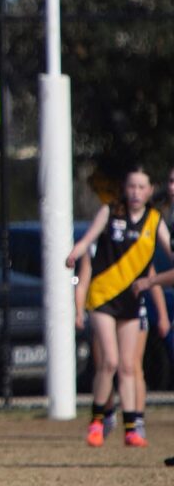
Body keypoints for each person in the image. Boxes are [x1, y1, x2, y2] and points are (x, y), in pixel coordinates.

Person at [67, 165, 171, 448]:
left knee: (128, 365)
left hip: (131, 300)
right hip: (103, 297)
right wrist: (75, 253)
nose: (136, 192)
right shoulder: (110, 212)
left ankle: (131, 427)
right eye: (132, 186)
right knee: (109, 361)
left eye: (141, 187)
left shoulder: (154, 221)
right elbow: (88, 240)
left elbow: (169, 251)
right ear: (125, 189)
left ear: (150, 191)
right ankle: (97, 421)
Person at [76, 253, 169, 443]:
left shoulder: (137, 244)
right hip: (104, 307)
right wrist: (78, 310)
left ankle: (135, 423)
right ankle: (105, 414)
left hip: (132, 309)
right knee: (106, 364)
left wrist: (162, 314)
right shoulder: (95, 247)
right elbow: (83, 280)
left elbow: (153, 279)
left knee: (131, 366)